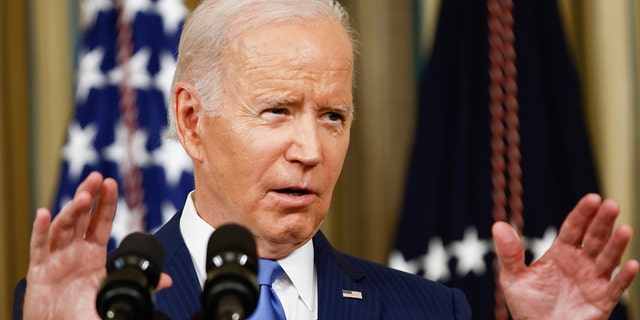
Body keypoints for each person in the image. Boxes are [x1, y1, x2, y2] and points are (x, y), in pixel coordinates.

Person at [14, 0, 639, 319]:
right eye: (277, 111)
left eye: (333, 117)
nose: (311, 151)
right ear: (191, 120)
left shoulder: (429, 312)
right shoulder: (98, 305)